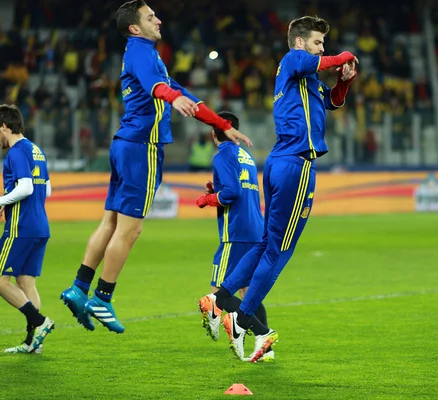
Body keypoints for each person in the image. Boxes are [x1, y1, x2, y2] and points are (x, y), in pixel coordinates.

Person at [60, 0, 252, 334]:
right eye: (151, 17)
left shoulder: (146, 56)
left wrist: (221, 123)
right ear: (135, 27)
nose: (158, 20)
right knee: (131, 229)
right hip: (142, 149)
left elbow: (183, 93)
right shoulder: (141, 52)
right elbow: (161, 88)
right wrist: (171, 97)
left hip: (125, 144)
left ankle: (79, 287)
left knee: (110, 221)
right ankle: (103, 298)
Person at [199, 15, 357, 362]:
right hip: (296, 163)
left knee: (268, 242)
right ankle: (241, 320)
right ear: (300, 42)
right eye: (318, 42)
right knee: (280, 251)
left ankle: (221, 297)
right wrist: (344, 56)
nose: (322, 49)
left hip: (279, 161)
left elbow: (332, 101)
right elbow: (320, 60)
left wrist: (344, 82)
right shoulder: (293, 59)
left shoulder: (307, 79)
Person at [195, 111, 273, 361]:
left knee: (218, 292)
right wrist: (215, 190)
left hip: (235, 233)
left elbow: (231, 193)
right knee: (248, 293)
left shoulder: (223, 156)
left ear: (213, 131)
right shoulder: (246, 155)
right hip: (255, 228)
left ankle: (264, 334)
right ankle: (266, 351)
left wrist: (206, 199)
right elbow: (236, 188)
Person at [0, 104, 54, 354]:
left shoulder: (16, 152)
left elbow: (26, 188)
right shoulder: (36, 149)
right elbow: (47, 189)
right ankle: (34, 343)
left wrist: (2, 200)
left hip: (20, 227)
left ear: (4, 126)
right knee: (26, 281)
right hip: (40, 224)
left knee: (0, 281)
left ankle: (40, 322)